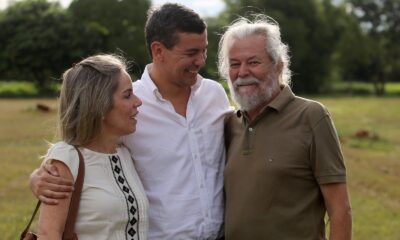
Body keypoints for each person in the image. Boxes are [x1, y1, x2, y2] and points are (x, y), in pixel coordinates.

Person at [30, 4, 232, 240]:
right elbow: (82, 149)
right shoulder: (127, 107)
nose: (201, 60)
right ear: (158, 51)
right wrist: (38, 178)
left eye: (204, 50)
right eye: (191, 53)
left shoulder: (215, 95)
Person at [218, 16, 352, 240]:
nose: (242, 73)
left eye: (253, 62)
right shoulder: (229, 124)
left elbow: (340, 210)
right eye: (234, 64)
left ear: (278, 66)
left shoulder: (311, 116)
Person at [36, 54, 148, 240]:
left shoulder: (125, 154)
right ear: (100, 104)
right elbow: (49, 234)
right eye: (128, 95)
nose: (138, 102)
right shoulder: (67, 158)